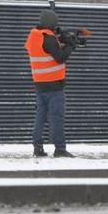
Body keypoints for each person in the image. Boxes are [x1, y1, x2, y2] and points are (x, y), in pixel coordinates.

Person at [25, 9, 78, 158]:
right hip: (53, 84)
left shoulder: (34, 36)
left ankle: (38, 148)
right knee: (57, 117)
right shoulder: (48, 38)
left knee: (40, 116)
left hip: (39, 84)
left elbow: (46, 52)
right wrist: (70, 46)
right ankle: (60, 149)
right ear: (51, 22)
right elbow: (60, 57)